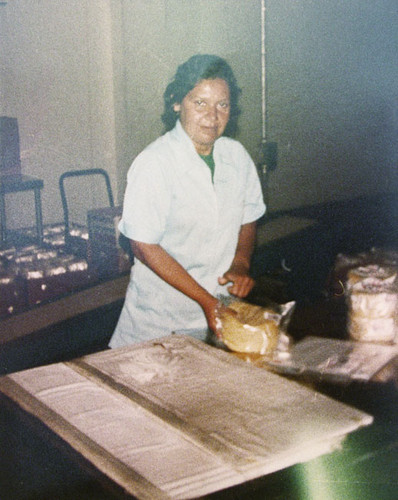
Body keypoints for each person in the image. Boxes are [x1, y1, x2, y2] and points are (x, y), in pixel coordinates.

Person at [109, 54, 265, 348]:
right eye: (200, 103)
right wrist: (207, 302)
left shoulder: (237, 157)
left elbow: (248, 216)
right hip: (159, 325)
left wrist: (241, 263)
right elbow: (142, 246)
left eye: (223, 105)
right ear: (177, 102)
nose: (212, 116)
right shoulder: (155, 162)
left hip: (219, 317)